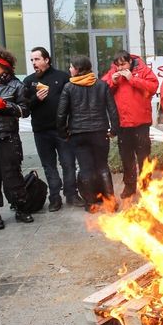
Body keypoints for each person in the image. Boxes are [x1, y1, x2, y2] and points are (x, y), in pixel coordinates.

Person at [0, 48, 33, 230]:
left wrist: (5, 105)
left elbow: (25, 111)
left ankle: (21, 209)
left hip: (8, 137)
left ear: (4, 66)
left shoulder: (18, 86)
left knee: (12, 175)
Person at [23, 47, 83, 211]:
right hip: (41, 131)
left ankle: (72, 194)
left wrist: (72, 125)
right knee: (49, 166)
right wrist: (36, 99)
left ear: (46, 60)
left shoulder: (62, 77)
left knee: (68, 163)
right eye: (32, 60)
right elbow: (24, 109)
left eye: (37, 59)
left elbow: (73, 103)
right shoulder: (29, 81)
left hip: (61, 130)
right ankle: (55, 198)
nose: (34, 63)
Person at [58, 55, 119, 212]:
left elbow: (61, 114)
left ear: (78, 69)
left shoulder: (69, 87)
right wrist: (114, 129)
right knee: (102, 166)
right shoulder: (101, 85)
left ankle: (91, 203)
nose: (69, 69)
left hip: (78, 134)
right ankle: (111, 202)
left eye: (71, 67)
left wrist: (63, 133)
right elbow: (112, 109)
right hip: (99, 132)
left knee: (86, 168)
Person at [102, 50, 158, 199]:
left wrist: (133, 79)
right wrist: (112, 82)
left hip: (141, 123)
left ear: (130, 62)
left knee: (143, 156)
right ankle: (129, 186)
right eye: (118, 65)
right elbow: (102, 89)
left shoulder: (143, 70)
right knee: (126, 158)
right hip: (123, 124)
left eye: (123, 64)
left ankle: (146, 185)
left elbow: (153, 87)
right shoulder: (113, 72)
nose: (121, 68)